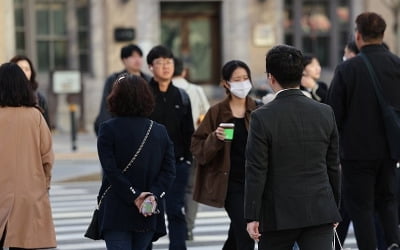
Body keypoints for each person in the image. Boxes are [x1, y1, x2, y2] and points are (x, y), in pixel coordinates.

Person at [245, 45, 341, 250]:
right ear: (300, 74)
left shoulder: (262, 117)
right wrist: (334, 207)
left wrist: (252, 215)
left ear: (271, 78)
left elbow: (256, 169)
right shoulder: (325, 112)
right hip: (319, 208)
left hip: (277, 212)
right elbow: (333, 164)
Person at [327, 12, 400, 250]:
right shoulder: (396, 65)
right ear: (382, 34)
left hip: (356, 153)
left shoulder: (348, 70)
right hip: (391, 149)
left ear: (358, 36)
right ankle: (393, 243)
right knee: (388, 202)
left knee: (361, 209)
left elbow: (333, 115)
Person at [96, 74, 176, 250]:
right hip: (148, 209)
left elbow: (110, 170)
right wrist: (153, 195)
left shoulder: (108, 129)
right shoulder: (159, 131)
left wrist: (133, 195)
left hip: (117, 207)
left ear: (116, 98)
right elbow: (169, 171)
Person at [191, 60, 259, 250]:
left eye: (246, 78)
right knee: (245, 233)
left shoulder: (258, 109)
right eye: (237, 79)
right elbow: (197, 147)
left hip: (255, 182)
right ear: (226, 83)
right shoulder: (216, 112)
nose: (242, 83)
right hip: (230, 183)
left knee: (235, 235)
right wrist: (215, 138)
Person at [0, 63, 56, 249]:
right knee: (24, 243)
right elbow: (47, 158)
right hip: (30, 194)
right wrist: (43, 184)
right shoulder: (35, 116)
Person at [147, 45, 194, 250]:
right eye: (160, 62)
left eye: (169, 62)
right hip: (149, 167)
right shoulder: (144, 94)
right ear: (150, 67)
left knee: (176, 210)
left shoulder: (181, 96)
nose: (165, 67)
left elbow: (188, 130)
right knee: (148, 211)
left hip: (177, 164)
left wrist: (187, 159)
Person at [172, 57, 210, 241]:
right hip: (193, 145)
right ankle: (187, 226)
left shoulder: (161, 91)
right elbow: (207, 116)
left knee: (167, 187)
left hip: (169, 147)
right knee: (191, 188)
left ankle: (172, 223)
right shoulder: (196, 90)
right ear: (184, 72)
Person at [94, 43, 152, 135]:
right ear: (124, 60)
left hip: (145, 128)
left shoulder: (148, 79)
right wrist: (106, 130)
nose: (137, 59)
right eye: (133, 56)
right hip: (119, 128)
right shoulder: (114, 79)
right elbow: (106, 107)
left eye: (139, 56)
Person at [10, 55, 50, 127]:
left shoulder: (39, 98)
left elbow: (46, 128)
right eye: (20, 68)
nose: (24, 72)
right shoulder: (5, 96)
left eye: (27, 69)